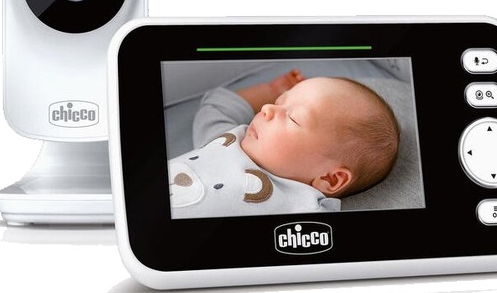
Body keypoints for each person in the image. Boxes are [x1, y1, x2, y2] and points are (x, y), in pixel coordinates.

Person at [167, 69, 399, 218]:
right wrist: (269, 90)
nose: (267, 108)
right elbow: (215, 108)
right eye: (278, 101)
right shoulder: (229, 138)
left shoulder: (302, 207)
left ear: (330, 179)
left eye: (293, 117)